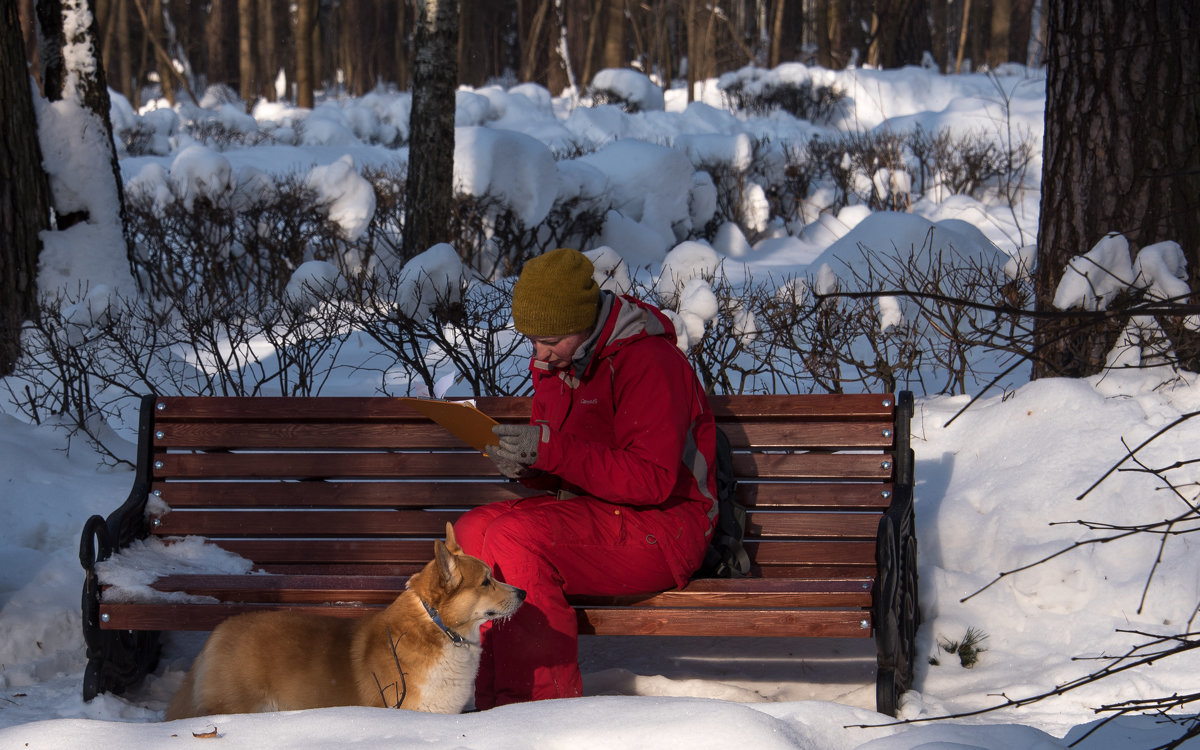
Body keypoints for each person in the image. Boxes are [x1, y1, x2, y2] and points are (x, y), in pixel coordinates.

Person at [453, 247, 718, 708]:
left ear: (584, 322)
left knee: (516, 540)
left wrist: (550, 449)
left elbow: (652, 480)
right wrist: (527, 464)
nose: (539, 354)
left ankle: (537, 711)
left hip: (667, 527)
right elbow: (566, 463)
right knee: (475, 531)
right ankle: (489, 707)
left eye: (550, 339)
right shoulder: (557, 363)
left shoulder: (650, 362)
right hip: (593, 513)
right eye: (532, 339)